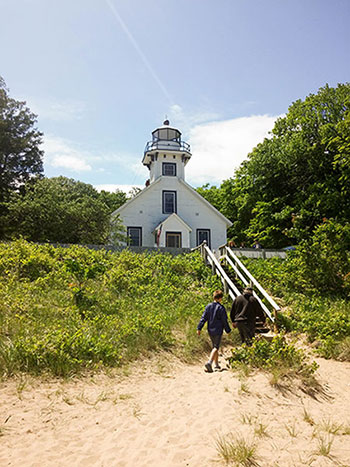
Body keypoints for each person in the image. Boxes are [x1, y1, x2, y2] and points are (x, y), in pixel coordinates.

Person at [197, 290, 231, 373]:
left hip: (210, 329)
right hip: (218, 329)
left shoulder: (208, 306)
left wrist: (199, 328)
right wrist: (228, 330)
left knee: (214, 347)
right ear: (220, 298)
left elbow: (203, 318)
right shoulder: (221, 308)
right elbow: (224, 321)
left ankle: (216, 365)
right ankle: (209, 363)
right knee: (216, 347)